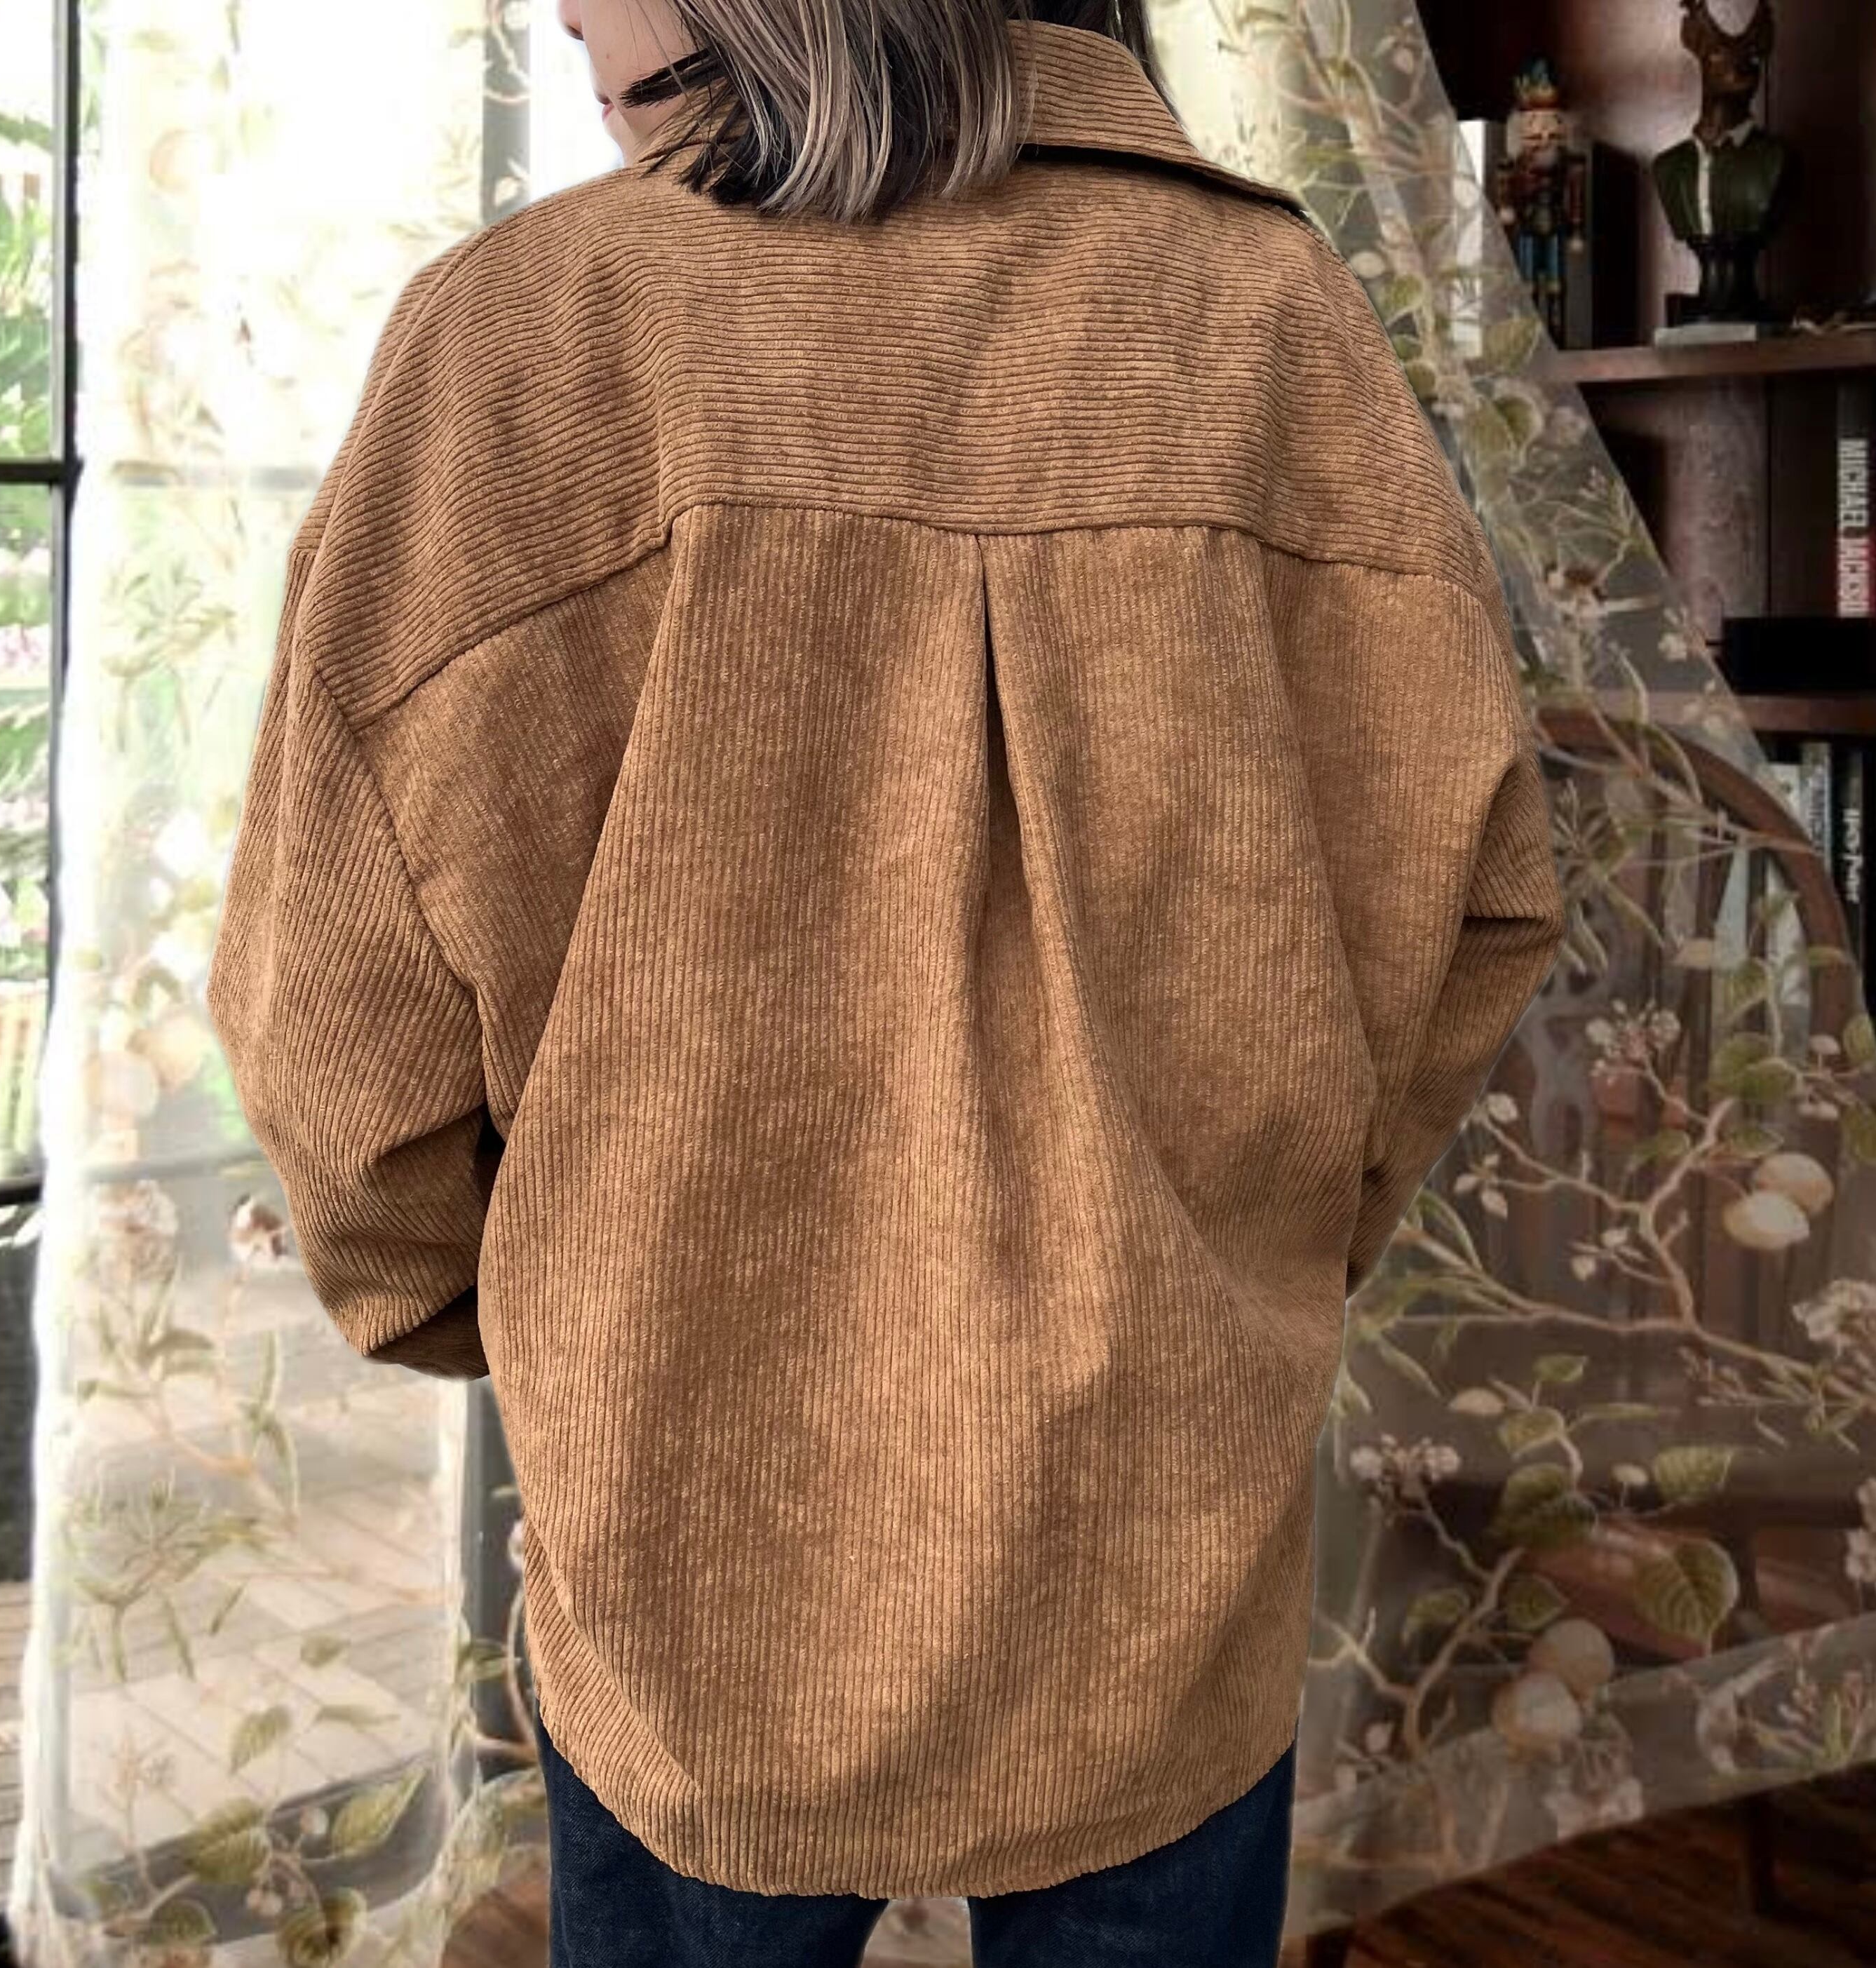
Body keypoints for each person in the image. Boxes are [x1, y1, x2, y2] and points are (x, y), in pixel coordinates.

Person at [203, 0, 1567, 1962]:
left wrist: (506, 1302)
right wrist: (1260, 1248)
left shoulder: (534, 342)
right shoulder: (1269, 323)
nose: (563, 8)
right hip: (1165, 1509)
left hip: (693, 1525)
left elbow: (342, 1021)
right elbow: (1469, 902)